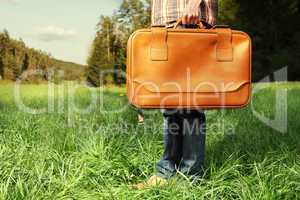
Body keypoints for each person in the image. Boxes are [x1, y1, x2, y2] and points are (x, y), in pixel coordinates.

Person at [133, 0, 218, 189]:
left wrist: (194, 3)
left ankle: (190, 177)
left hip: (190, 17)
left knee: (190, 104)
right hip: (166, 21)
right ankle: (167, 172)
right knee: (170, 103)